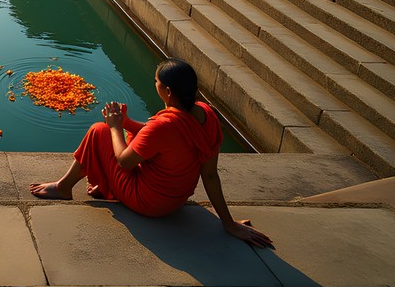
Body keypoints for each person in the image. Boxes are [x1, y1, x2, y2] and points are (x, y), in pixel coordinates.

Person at [30, 58, 272, 248]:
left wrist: (115, 127)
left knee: (98, 131)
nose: (154, 85)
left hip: (148, 201)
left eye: (156, 82)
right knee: (123, 135)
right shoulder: (206, 115)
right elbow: (209, 175)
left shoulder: (165, 124)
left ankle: (64, 187)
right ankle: (80, 185)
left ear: (167, 91)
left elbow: (125, 162)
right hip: (175, 200)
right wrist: (227, 223)